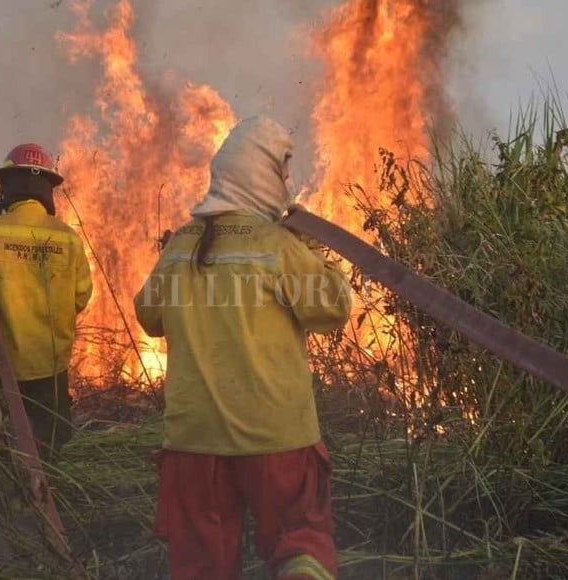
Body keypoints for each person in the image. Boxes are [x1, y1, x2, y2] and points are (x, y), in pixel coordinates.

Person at [134, 116, 352, 580]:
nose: (286, 183)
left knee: (200, 564)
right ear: (262, 176)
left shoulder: (178, 248)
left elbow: (148, 317)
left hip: (194, 443)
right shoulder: (275, 245)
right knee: (300, 543)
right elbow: (332, 310)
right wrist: (316, 255)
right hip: (277, 437)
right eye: (282, 172)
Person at [0, 143, 92, 461]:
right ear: (48, 190)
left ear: (7, 187)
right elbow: (81, 297)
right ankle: (45, 497)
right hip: (49, 365)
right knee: (50, 446)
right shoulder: (69, 239)